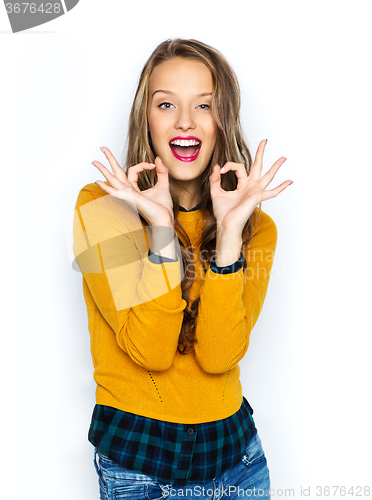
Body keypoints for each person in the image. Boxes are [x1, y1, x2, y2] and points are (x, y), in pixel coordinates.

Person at [73, 38, 292, 500]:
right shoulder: (101, 208)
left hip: (236, 459)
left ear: (222, 119)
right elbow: (148, 351)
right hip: (139, 463)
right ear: (145, 118)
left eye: (204, 105)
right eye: (166, 103)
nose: (185, 122)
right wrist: (160, 229)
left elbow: (218, 356)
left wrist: (230, 235)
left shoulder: (257, 227)